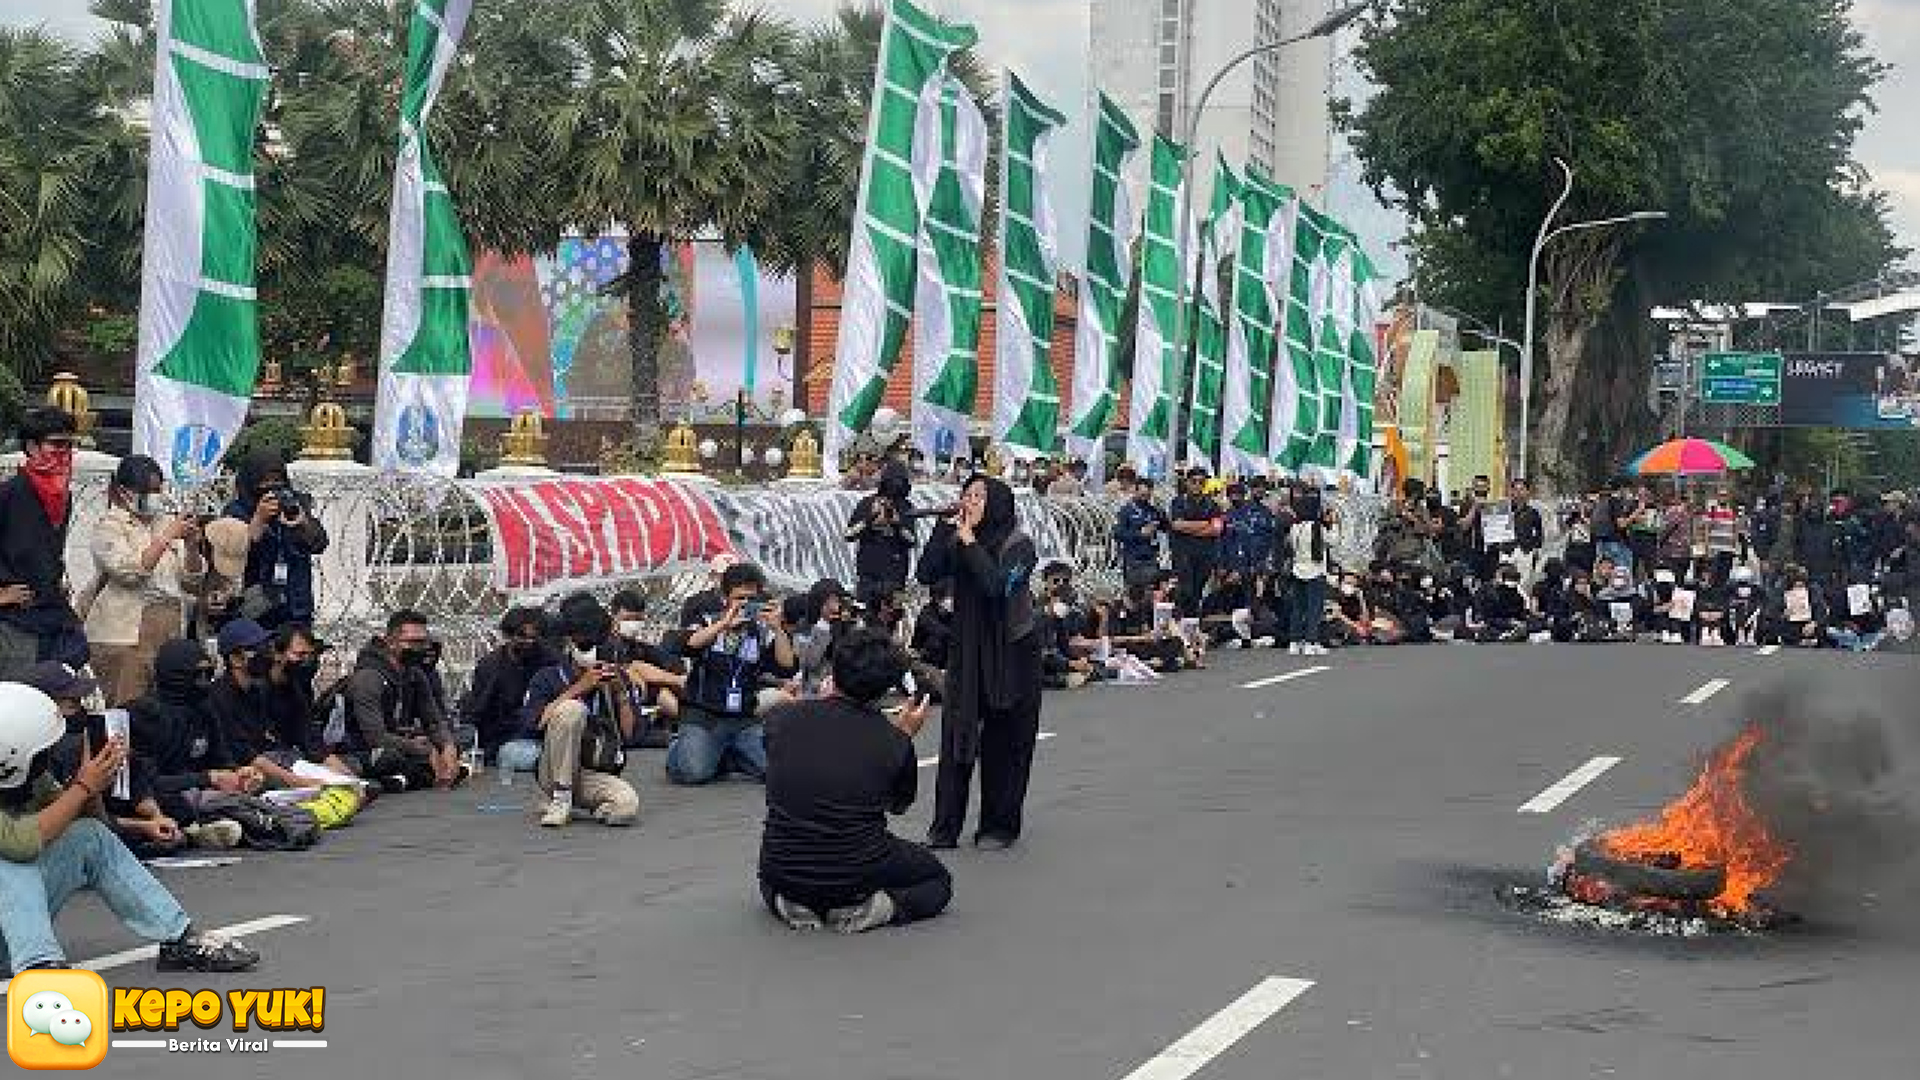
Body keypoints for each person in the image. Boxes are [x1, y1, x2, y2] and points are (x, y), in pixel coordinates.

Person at [0, 682, 262, 975]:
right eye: (39, 753)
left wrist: (94, 781)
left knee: (90, 836)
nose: (45, 758)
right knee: (9, 861)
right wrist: (82, 786)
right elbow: (19, 843)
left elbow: (93, 823)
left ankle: (179, 939)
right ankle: (38, 966)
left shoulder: (31, 777)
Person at [759, 628, 950, 934]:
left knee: (769, 876)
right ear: (885, 688)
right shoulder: (891, 739)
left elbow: (780, 755)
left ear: (834, 670)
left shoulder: (784, 719)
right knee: (938, 881)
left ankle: (789, 902)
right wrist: (904, 736)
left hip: (784, 865)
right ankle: (874, 909)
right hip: (857, 871)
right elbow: (898, 805)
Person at [915, 474, 1043, 851]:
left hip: (1012, 651)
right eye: (965, 495)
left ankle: (998, 826)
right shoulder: (960, 537)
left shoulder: (1020, 545)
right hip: (968, 647)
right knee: (957, 735)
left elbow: (997, 587)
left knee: (1006, 741)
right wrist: (943, 533)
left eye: (978, 496)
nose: (968, 502)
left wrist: (969, 543)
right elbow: (926, 574)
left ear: (998, 504)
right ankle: (944, 829)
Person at [81, 455, 206, 705]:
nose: (155, 496)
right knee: (125, 708)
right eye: (148, 491)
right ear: (125, 492)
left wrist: (192, 547)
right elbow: (130, 572)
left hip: (168, 631)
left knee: (162, 710)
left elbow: (192, 581)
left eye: (159, 490)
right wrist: (166, 537)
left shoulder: (167, 522)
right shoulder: (109, 526)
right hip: (123, 637)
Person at [668, 562, 795, 785]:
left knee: (778, 771)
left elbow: (786, 666)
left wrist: (778, 628)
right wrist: (723, 624)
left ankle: (725, 754)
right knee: (693, 773)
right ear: (725, 597)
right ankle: (682, 746)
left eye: (751, 599)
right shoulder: (708, 621)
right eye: (739, 598)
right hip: (704, 715)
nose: (745, 605)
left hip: (744, 717)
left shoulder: (761, 629)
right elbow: (688, 645)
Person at [520, 596, 642, 828]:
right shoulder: (548, 677)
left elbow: (631, 735)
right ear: (569, 643)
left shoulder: (616, 676)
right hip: (553, 769)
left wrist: (620, 694)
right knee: (572, 709)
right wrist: (578, 688)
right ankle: (560, 798)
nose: (593, 651)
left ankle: (582, 803)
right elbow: (534, 724)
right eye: (585, 645)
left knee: (627, 805)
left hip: (592, 772)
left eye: (597, 644)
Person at [0, 406, 87, 678]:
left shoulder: (65, 498)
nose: (64, 453)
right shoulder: (8, 494)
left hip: (54, 619)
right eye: (57, 444)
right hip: (14, 624)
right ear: (32, 447)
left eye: (69, 446)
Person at [341, 610, 461, 791]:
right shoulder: (369, 678)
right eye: (413, 642)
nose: (420, 648)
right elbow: (375, 737)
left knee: (458, 737)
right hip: (366, 750)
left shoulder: (414, 673)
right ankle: (407, 777)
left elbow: (434, 721)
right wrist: (424, 749)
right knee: (390, 757)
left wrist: (448, 746)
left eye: (423, 642)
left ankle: (408, 778)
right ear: (390, 642)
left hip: (402, 741)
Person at [221, 450, 330, 629]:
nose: (271, 487)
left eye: (276, 480)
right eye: (264, 481)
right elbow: (233, 554)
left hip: (296, 603)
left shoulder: (295, 502)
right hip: (256, 606)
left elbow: (319, 544)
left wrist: (303, 523)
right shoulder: (236, 511)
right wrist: (258, 520)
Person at [460, 606, 558, 762]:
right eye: (522, 636)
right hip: (505, 740)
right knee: (525, 756)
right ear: (507, 635)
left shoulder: (550, 660)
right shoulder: (491, 666)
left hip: (544, 734)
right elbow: (478, 712)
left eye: (534, 637)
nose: (529, 642)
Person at [845, 461, 920, 609]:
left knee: (893, 618)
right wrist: (869, 519)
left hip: (895, 578)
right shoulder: (867, 503)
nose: (895, 486)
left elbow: (912, 540)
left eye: (900, 482)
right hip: (868, 578)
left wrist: (897, 524)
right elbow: (848, 535)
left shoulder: (906, 506)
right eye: (892, 481)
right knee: (866, 620)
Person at [1166, 468, 1224, 617]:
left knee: (1197, 592)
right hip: (1183, 554)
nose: (1197, 485)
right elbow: (1177, 525)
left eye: (1201, 482)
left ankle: (1192, 624)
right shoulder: (1178, 502)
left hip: (1205, 555)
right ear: (1187, 483)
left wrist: (1190, 528)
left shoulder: (1212, 504)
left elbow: (1217, 529)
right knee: (1185, 591)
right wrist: (1205, 524)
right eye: (1194, 481)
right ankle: (1181, 623)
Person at [1284, 493, 1334, 656]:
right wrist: (1333, 524)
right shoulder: (1317, 528)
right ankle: (1311, 641)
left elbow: (1291, 546)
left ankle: (1294, 641)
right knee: (1315, 609)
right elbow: (1333, 541)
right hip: (1316, 571)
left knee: (1298, 608)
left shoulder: (1294, 527)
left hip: (1298, 569)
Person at [1112, 477, 1169, 588]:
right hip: (1133, 560)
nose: (1145, 498)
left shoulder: (1154, 511)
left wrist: (1163, 517)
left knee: (1150, 594)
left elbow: (1166, 528)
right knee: (1134, 593)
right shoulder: (1126, 511)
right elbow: (1118, 534)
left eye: (1147, 495)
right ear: (1136, 491)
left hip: (1151, 558)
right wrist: (1139, 533)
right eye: (1142, 495)